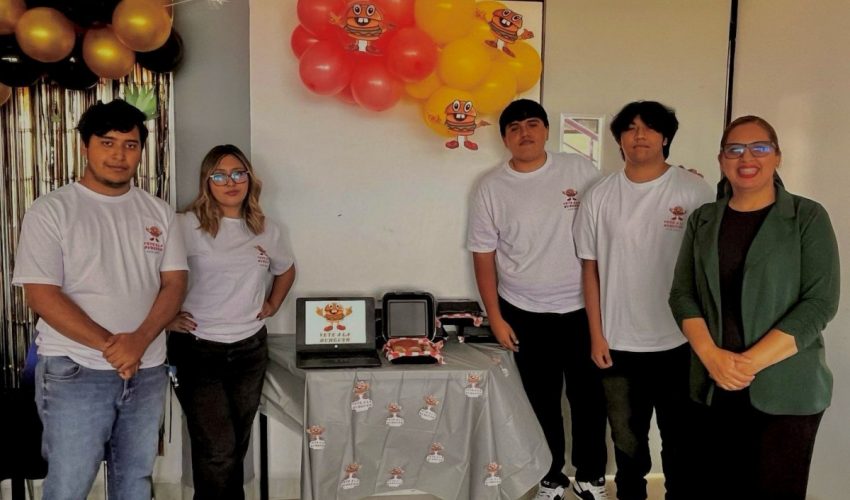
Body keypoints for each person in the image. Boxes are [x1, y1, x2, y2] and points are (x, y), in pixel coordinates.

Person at [11, 99, 188, 500]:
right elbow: (41, 294)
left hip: (147, 369)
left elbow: (175, 284)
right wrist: (113, 347)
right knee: (69, 484)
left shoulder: (158, 212)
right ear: (84, 147)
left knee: (135, 479)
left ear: (141, 151)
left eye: (130, 145)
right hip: (75, 369)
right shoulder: (52, 210)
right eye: (107, 142)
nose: (119, 155)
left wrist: (138, 342)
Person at [669, 116, 839, 500]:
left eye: (759, 147)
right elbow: (682, 294)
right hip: (713, 385)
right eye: (735, 149)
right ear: (721, 159)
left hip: (787, 391)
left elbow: (820, 303)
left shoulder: (807, 216)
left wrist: (746, 365)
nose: (746, 157)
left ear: (777, 156)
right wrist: (711, 356)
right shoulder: (703, 219)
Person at [467, 99, 609, 500]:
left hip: (583, 309)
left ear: (546, 130)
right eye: (514, 128)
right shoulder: (491, 187)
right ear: (504, 139)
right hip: (523, 311)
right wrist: (495, 317)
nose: (524, 133)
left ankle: (591, 476)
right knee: (540, 402)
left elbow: (613, 211)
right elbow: (483, 255)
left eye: (532, 124)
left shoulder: (579, 170)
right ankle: (551, 477)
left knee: (589, 398)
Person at [573, 101, 713, 500]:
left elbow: (709, 266)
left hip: (681, 341)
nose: (639, 135)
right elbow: (590, 270)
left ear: (665, 137)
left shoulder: (693, 190)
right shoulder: (599, 195)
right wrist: (597, 335)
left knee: (681, 444)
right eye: (630, 128)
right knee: (628, 446)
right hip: (619, 343)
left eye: (650, 127)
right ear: (619, 139)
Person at [166, 144, 296, 500]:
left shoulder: (265, 229)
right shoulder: (184, 225)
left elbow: (285, 270)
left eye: (239, 173)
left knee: (234, 446)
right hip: (197, 350)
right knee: (218, 449)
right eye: (220, 175)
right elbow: (149, 275)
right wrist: (166, 319)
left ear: (250, 179)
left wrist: (272, 304)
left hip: (249, 349)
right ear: (206, 181)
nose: (231, 182)